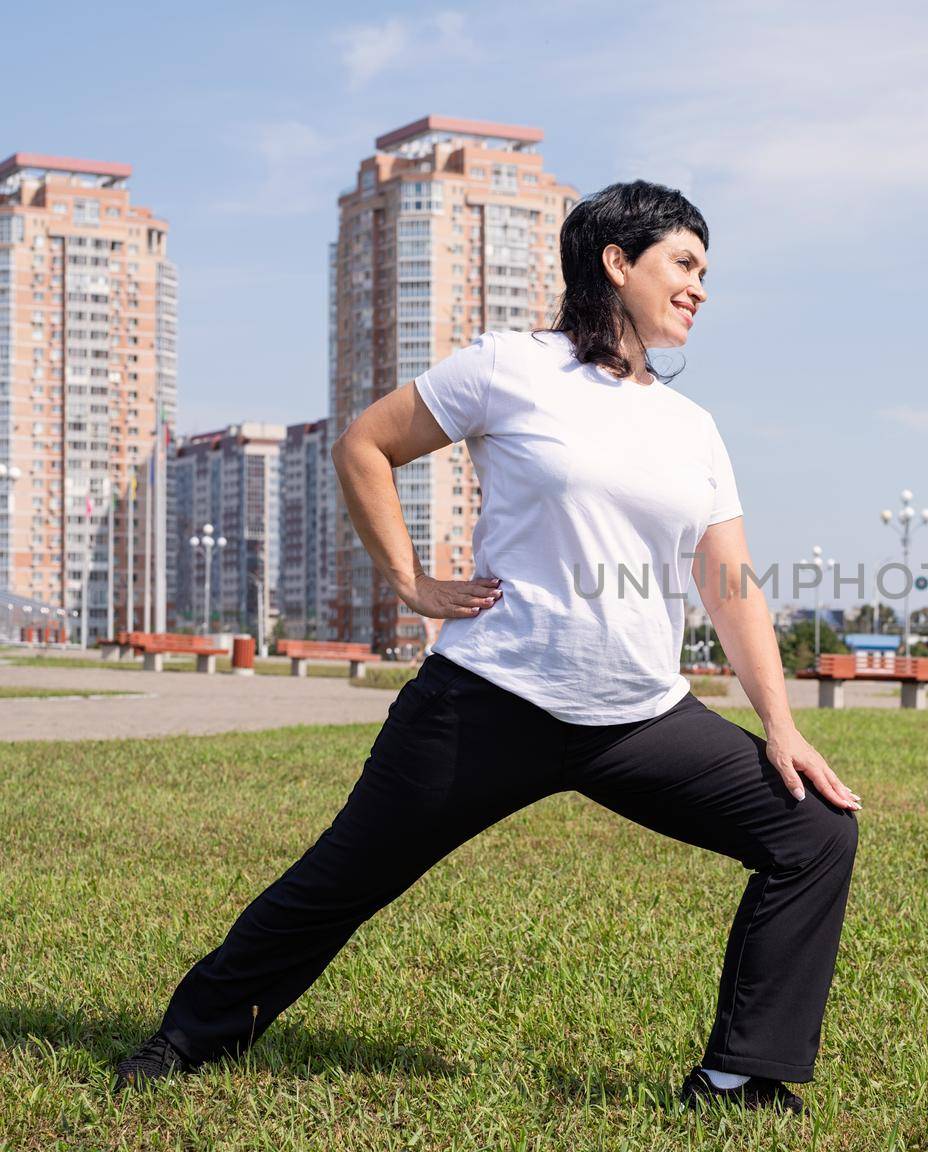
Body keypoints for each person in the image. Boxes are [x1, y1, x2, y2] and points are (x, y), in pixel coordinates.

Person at [116, 181, 861, 1115]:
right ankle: (187, 1039)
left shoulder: (692, 429)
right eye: (684, 263)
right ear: (617, 263)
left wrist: (781, 728)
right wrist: (412, 583)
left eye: (706, 271)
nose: (700, 287)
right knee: (343, 879)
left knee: (813, 830)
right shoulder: (512, 367)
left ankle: (738, 1078)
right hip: (488, 702)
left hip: (637, 717)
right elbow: (365, 447)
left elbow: (731, 585)